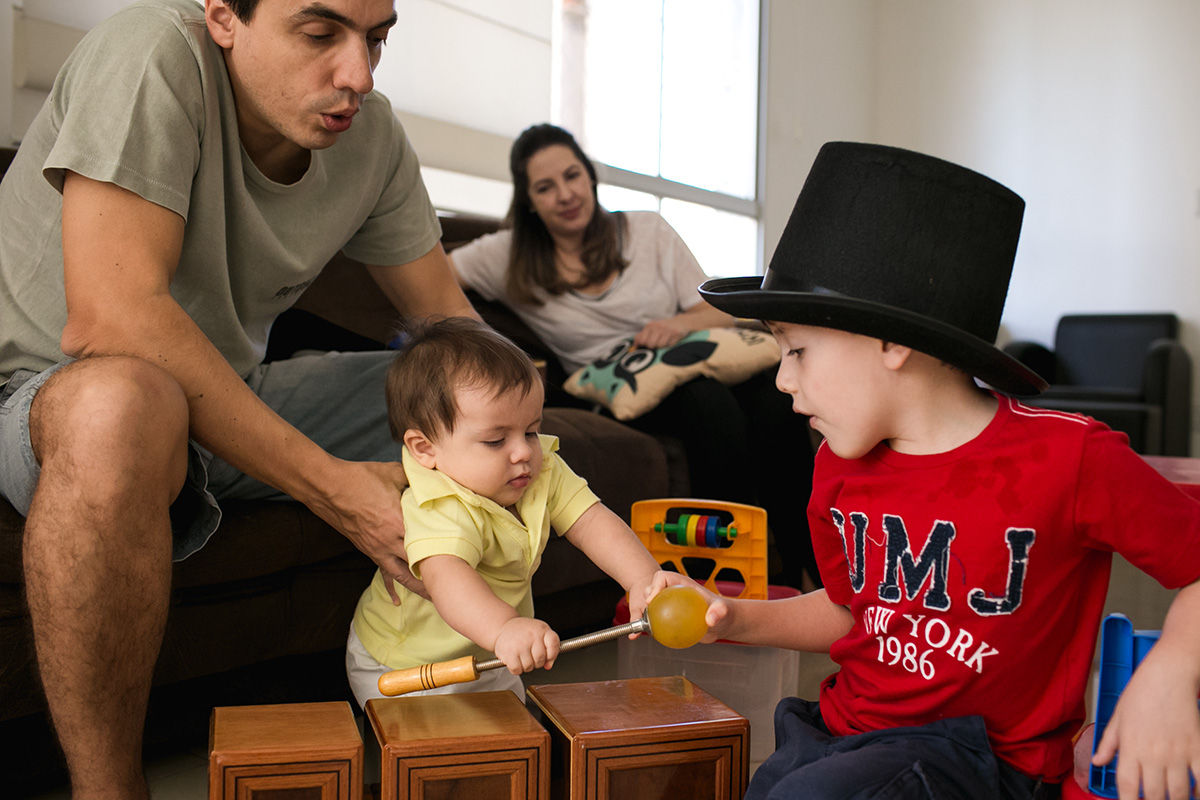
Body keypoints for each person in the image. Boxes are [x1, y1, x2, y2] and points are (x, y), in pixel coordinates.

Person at [0, 0, 479, 795]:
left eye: (376, 39)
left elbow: (455, 328)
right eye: (320, 34)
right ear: (224, 16)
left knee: (468, 399)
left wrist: (511, 414)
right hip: (47, 392)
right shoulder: (151, 54)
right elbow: (110, 319)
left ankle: (465, 706)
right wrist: (338, 490)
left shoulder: (373, 135)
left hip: (221, 393)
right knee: (122, 404)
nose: (358, 75)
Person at [644, 141, 1200, 800]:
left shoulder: (1069, 458)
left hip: (978, 759)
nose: (783, 380)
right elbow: (854, 612)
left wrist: (1171, 673)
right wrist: (735, 618)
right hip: (841, 733)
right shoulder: (837, 463)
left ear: (891, 343)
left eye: (797, 351)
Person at [449, 122, 819, 590]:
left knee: (772, 399)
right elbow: (431, 274)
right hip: (616, 387)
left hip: (682, 354)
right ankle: (731, 580)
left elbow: (716, 310)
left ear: (590, 177)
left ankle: (810, 570)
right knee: (709, 405)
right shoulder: (507, 256)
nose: (565, 194)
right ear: (528, 201)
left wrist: (676, 325)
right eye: (545, 187)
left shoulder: (648, 230)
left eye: (572, 176)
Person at [345, 317, 661, 708]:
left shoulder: (540, 471)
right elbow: (449, 582)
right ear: (425, 449)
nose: (523, 452)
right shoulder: (436, 503)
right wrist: (506, 627)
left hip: (491, 655)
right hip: (408, 666)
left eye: (530, 431)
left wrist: (644, 580)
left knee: (513, 738)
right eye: (496, 440)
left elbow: (593, 522)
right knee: (435, 747)